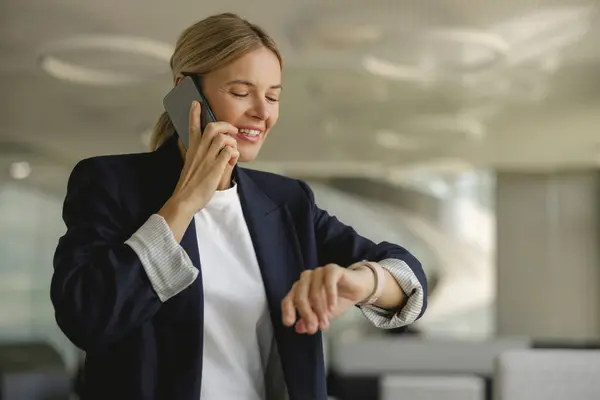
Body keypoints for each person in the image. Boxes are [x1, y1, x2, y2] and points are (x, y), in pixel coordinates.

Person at [51, 12, 427, 400]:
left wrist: (360, 284)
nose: (262, 113)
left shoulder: (287, 202)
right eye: (241, 92)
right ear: (187, 95)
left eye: (273, 96)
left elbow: (409, 278)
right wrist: (183, 203)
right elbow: (87, 319)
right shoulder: (112, 184)